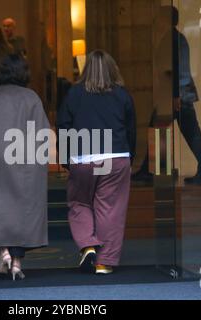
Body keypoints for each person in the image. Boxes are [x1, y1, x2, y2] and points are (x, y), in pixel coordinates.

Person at [0, 54, 50, 281]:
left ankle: (3, 252)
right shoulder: (31, 98)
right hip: (22, 160)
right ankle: (17, 262)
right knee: (22, 210)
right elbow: (41, 136)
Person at [57, 50, 137, 275]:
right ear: (113, 69)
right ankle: (104, 262)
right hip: (116, 157)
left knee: (79, 203)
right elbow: (131, 130)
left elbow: (63, 126)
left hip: (83, 157)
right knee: (110, 209)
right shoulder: (122, 95)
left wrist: (65, 160)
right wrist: (130, 157)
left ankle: (87, 244)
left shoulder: (74, 94)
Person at [132, 6, 201, 184]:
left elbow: (173, 69)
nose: (156, 21)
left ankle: (152, 171)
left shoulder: (172, 39)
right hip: (177, 94)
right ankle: (153, 170)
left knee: (177, 132)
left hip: (176, 96)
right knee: (168, 131)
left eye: (160, 17)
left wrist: (175, 96)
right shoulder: (175, 38)